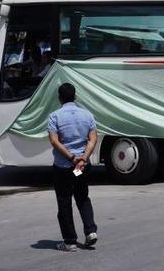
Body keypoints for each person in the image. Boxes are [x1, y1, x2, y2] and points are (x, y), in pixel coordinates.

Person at [48, 83, 99, 252]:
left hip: (63, 168)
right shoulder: (87, 115)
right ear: (75, 96)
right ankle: (90, 231)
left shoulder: (55, 116)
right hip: (80, 168)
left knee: (64, 201)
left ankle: (70, 241)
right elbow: (93, 139)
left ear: (59, 98)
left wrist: (71, 158)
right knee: (82, 196)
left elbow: (54, 141)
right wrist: (83, 158)